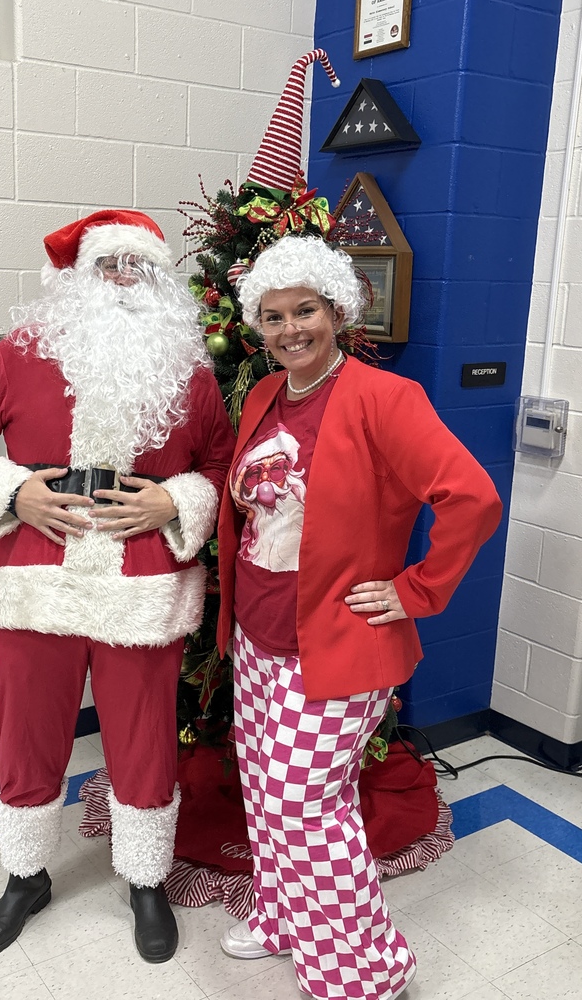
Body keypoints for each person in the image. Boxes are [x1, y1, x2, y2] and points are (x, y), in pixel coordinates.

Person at [0, 210, 235, 962]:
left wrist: (176, 501)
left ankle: (144, 878)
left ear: (159, 281)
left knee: (142, 740)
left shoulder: (190, 373)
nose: (124, 279)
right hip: (36, 575)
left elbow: (223, 466)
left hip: (143, 583)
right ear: (80, 276)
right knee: (27, 733)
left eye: (140, 267)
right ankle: (25, 874)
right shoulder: (21, 353)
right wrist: (14, 492)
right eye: (110, 265)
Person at [215, 234, 502, 1000]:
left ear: (337, 310)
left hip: (338, 642)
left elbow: (472, 499)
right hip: (260, 637)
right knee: (260, 786)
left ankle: (368, 968)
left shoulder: (385, 399)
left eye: (304, 310)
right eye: (272, 318)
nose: (289, 330)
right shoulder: (268, 396)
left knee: (303, 803)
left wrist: (415, 590)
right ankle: (282, 914)